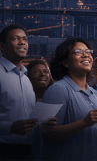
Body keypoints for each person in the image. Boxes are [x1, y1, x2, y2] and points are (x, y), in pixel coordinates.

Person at [42, 37, 97, 160]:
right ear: (65, 62)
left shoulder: (95, 94)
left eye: (88, 52)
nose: (86, 55)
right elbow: (47, 135)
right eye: (78, 52)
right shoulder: (56, 90)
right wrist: (84, 123)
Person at [0, 25, 56, 160]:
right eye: (15, 39)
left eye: (25, 39)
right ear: (2, 46)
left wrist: (41, 126)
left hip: (27, 153)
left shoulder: (26, 79)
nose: (22, 42)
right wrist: (11, 128)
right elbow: (14, 126)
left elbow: (28, 121)